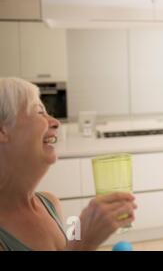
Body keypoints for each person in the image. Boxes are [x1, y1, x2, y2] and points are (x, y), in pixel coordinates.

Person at [0, 77, 137, 251]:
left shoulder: (50, 203)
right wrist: (84, 242)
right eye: (40, 112)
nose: (56, 122)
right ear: (2, 130)